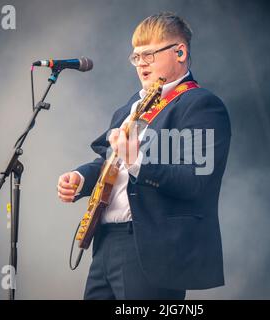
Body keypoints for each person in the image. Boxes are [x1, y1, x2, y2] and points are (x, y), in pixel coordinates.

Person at [57, 12, 231, 300]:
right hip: (105, 242)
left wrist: (138, 160)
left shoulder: (201, 104)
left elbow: (196, 180)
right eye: (136, 57)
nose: (140, 64)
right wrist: (80, 178)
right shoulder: (131, 106)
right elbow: (109, 162)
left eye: (149, 54)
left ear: (180, 52)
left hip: (150, 246)